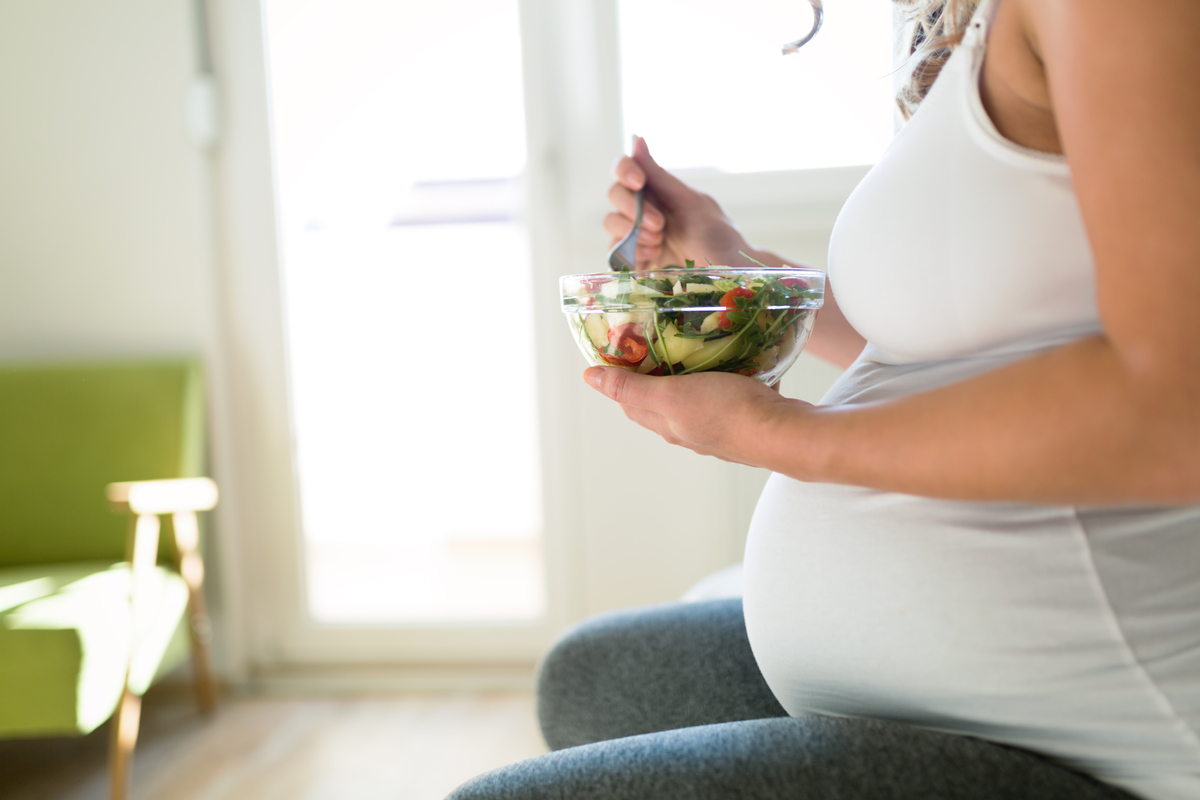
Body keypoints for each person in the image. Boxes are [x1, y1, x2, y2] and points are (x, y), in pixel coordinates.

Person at [449, 0, 1200, 797]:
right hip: (958, 682)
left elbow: (1175, 415)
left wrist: (774, 436)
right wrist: (738, 272)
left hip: (1099, 723)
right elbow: (945, 337)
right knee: (592, 679)